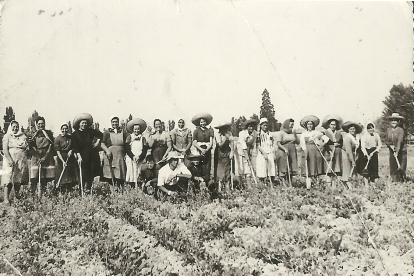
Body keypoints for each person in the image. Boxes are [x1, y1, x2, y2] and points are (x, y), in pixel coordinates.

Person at [72, 113, 106, 193]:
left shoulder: (90, 131)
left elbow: (100, 134)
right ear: (79, 124)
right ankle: (81, 190)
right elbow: (75, 147)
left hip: (91, 155)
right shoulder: (75, 134)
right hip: (81, 155)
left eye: (85, 123)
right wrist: (79, 157)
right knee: (82, 173)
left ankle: (89, 189)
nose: (84, 124)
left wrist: (97, 142)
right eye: (82, 123)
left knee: (91, 173)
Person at [1, 120, 29, 203]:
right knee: (8, 178)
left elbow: (26, 147)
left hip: (21, 159)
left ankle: (16, 196)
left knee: (18, 179)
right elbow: (5, 149)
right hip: (10, 159)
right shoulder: (7, 136)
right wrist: (10, 160)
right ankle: (6, 199)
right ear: (11, 127)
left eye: (17, 127)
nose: (15, 128)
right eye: (13, 127)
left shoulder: (23, 136)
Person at [28, 117, 55, 197]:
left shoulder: (49, 133)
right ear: (36, 125)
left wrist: (45, 157)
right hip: (36, 156)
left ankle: (42, 195)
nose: (40, 125)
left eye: (42, 123)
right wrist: (38, 157)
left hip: (46, 156)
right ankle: (32, 195)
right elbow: (31, 147)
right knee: (34, 176)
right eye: (39, 124)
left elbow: (51, 145)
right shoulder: (33, 134)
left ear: (44, 124)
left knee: (44, 177)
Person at [102, 117, 131, 186]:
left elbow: (129, 138)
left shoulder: (123, 131)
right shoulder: (107, 132)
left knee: (120, 172)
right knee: (110, 172)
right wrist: (107, 151)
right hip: (110, 154)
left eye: (116, 122)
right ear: (111, 123)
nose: (115, 123)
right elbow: (102, 143)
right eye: (113, 122)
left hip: (120, 155)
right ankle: (112, 190)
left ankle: (119, 189)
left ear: (118, 123)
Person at [299, 115, 324, 186]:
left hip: (315, 151)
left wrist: (321, 144)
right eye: (308, 124)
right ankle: (308, 185)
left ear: (313, 125)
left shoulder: (317, 132)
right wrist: (305, 150)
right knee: (308, 167)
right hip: (307, 151)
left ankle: (317, 183)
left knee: (315, 166)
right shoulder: (303, 134)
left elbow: (324, 139)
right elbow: (302, 143)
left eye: (311, 124)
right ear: (306, 125)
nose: (310, 126)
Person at [235, 118, 258, 189]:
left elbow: (252, 145)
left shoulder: (255, 133)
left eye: (253, 126)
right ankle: (240, 185)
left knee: (248, 170)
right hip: (239, 152)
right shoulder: (242, 133)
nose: (251, 128)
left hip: (247, 151)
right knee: (240, 169)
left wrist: (249, 155)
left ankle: (249, 186)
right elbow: (243, 147)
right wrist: (247, 158)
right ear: (247, 127)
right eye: (249, 126)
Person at [54, 123, 77, 194]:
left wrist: (71, 150)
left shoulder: (71, 137)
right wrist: (63, 161)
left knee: (69, 175)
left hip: (70, 157)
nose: (64, 130)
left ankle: (69, 192)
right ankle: (60, 192)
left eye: (66, 129)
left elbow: (73, 146)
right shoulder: (57, 138)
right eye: (63, 129)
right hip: (61, 157)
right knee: (61, 174)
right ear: (61, 130)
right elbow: (57, 151)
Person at [125, 118, 148, 187]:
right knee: (131, 172)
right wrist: (133, 156)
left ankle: (139, 186)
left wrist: (140, 157)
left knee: (138, 171)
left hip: (139, 157)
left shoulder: (143, 138)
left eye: (138, 129)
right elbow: (127, 149)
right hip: (131, 157)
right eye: (135, 129)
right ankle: (130, 186)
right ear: (132, 130)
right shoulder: (129, 137)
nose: (136, 131)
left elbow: (145, 149)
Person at [191, 112, 214, 183]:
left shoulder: (209, 130)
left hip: (207, 149)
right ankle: (198, 181)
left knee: (207, 165)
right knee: (199, 164)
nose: (203, 123)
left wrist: (206, 149)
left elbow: (211, 142)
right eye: (201, 122)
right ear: (199, 123)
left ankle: (207, 181)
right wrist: (201, 149)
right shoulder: (196, 131)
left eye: (204, 122)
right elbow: (194, 142)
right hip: (199, 149)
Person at [321, 115, 343, 187]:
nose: (333, 126)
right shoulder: (325, 133)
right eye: (332, 124)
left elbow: (341, 143)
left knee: (336, 169)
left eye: (334, 125)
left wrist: (338, 144)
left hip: (337, 152)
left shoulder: (339, 133)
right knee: (329, 169)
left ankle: (334, 186)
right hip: (328, 152)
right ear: (329, 125)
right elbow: (325, 143)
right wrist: (329, 151)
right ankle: (328, 186)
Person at [385, 113, 407, 182]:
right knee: (393, 166)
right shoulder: (388, 130)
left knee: (401, 167)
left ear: (398, 122)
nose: (394, 122)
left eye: (395, 120)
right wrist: (389, 145)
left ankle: (402, 181)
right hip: (392, 151)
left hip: (401, 151)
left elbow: (399, 141)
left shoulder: (400, 130)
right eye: (392, 120)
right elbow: (386, 141)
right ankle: (395, 181)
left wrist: (397, 151)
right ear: (390, 121)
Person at [276, 119, 299, 186]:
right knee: (283, 166)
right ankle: (283, 183)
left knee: (291, 166)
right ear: (286, 124)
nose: (292, 126)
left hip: (292, 152)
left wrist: (295, 135)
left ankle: (290, 183)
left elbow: (298, 142)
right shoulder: (281, 133)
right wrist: (284, 149)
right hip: (283, 151)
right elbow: (278, 143)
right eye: (291, 124)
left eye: (293, 125)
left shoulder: (292, 133)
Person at [341, 121, 363, 188]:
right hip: (347, 156)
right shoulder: (347, 138)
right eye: (350, 129)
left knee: (353, 170)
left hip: (354, 155)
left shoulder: (357, 137)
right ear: (348, 130)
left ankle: (352, 184)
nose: (352, 130)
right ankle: (347, 185)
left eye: (353, 129)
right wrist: (352, 160)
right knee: (348, 170)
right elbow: (349, 150)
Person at [360, 122, 382, 186]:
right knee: (366, 169)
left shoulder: (376, 135)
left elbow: (379, 145)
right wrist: (366, 154)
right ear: (367, 130)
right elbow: (362, 147)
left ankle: (374, 184)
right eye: (369, 129)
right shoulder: (364, 136)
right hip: (366, 153)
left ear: (373, 129)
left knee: (374, 169)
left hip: (374, 152)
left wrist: (375, 151)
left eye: (372, 129)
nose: (370, 130)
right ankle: (366, 185)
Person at [214, 122, 234, 191]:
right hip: (220, 153)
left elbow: (232, 143)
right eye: (222, 128)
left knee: (227, 170)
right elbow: (220, 145)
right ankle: (219, 188)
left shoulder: (229, 133)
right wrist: (225, 138)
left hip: (227, 152)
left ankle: (227, 188)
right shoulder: (218, 135)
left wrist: (232, 152)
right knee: (220, 171)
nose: (224, 130)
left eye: (225, 128)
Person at [256, 118, 276, 184]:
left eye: (266, 125)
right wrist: (264, 153)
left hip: (270, 152)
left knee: (271, 168)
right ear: (261, 125)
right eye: (264, 125)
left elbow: (273, 143)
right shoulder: (258, 135)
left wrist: (273, 152)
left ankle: (271, 181)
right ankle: (263, 183)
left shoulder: (270, 134)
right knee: (262, 168)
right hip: (262, 153)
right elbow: (258, 145)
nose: (265, 127)